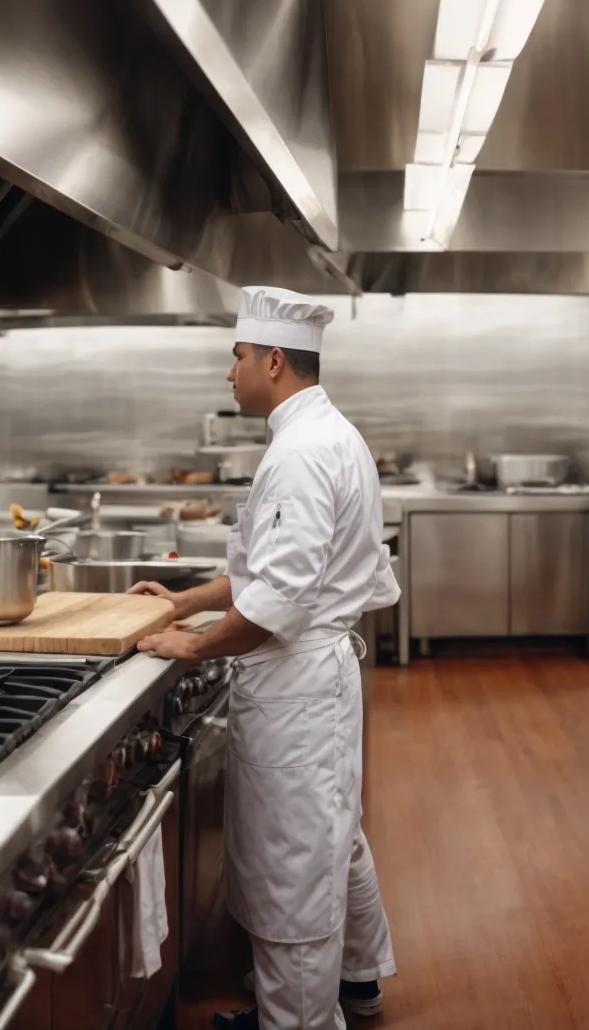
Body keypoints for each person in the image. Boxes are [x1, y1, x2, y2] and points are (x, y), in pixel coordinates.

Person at [130, 286, 398, 1030]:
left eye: (238, 357)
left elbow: (277, 593)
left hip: (298, 682)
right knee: (332, 834)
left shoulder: (302, 453)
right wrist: (185, 601)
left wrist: (195, 644)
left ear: (273, 362)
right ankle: (358, 979)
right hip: (320, 676)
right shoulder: (326, 435)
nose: (231, 373)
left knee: (293, 862)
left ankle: (298, 1022)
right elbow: (269, 568)